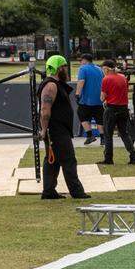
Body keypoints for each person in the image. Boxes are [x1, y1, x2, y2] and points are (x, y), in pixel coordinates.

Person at [38, 55, 90, 200]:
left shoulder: (56, 83)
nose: (66, 70)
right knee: (68, 159)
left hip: (58, 129)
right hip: (56, 130)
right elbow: (44, 109)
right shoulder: (51, 85)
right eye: (64, 66)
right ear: (58, 68)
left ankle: (48, 192)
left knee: (52, 160)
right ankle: (77, 192)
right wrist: (44, 130)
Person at [99, 59, 135, 166]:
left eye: (103, 69)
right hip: (123, 108)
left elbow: (102, 98)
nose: (103, 71)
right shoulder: (123, 78)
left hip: (111, 109)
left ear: (106, 69)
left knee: (108, 135)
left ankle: (108, 158)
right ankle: (133, 156)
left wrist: (106, 98)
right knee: (124, 133)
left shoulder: (106, 79)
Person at [74, 53, 105, 145]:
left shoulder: (83, 69)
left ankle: (90, 135)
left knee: (81, 115)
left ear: (85, 60)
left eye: (81, 61)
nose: (80, 62)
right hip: (99, 99)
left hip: (86, 100)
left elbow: (81, 81)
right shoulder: (99, 69)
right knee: (99, 119)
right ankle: (103, 139)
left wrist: (77, 94)